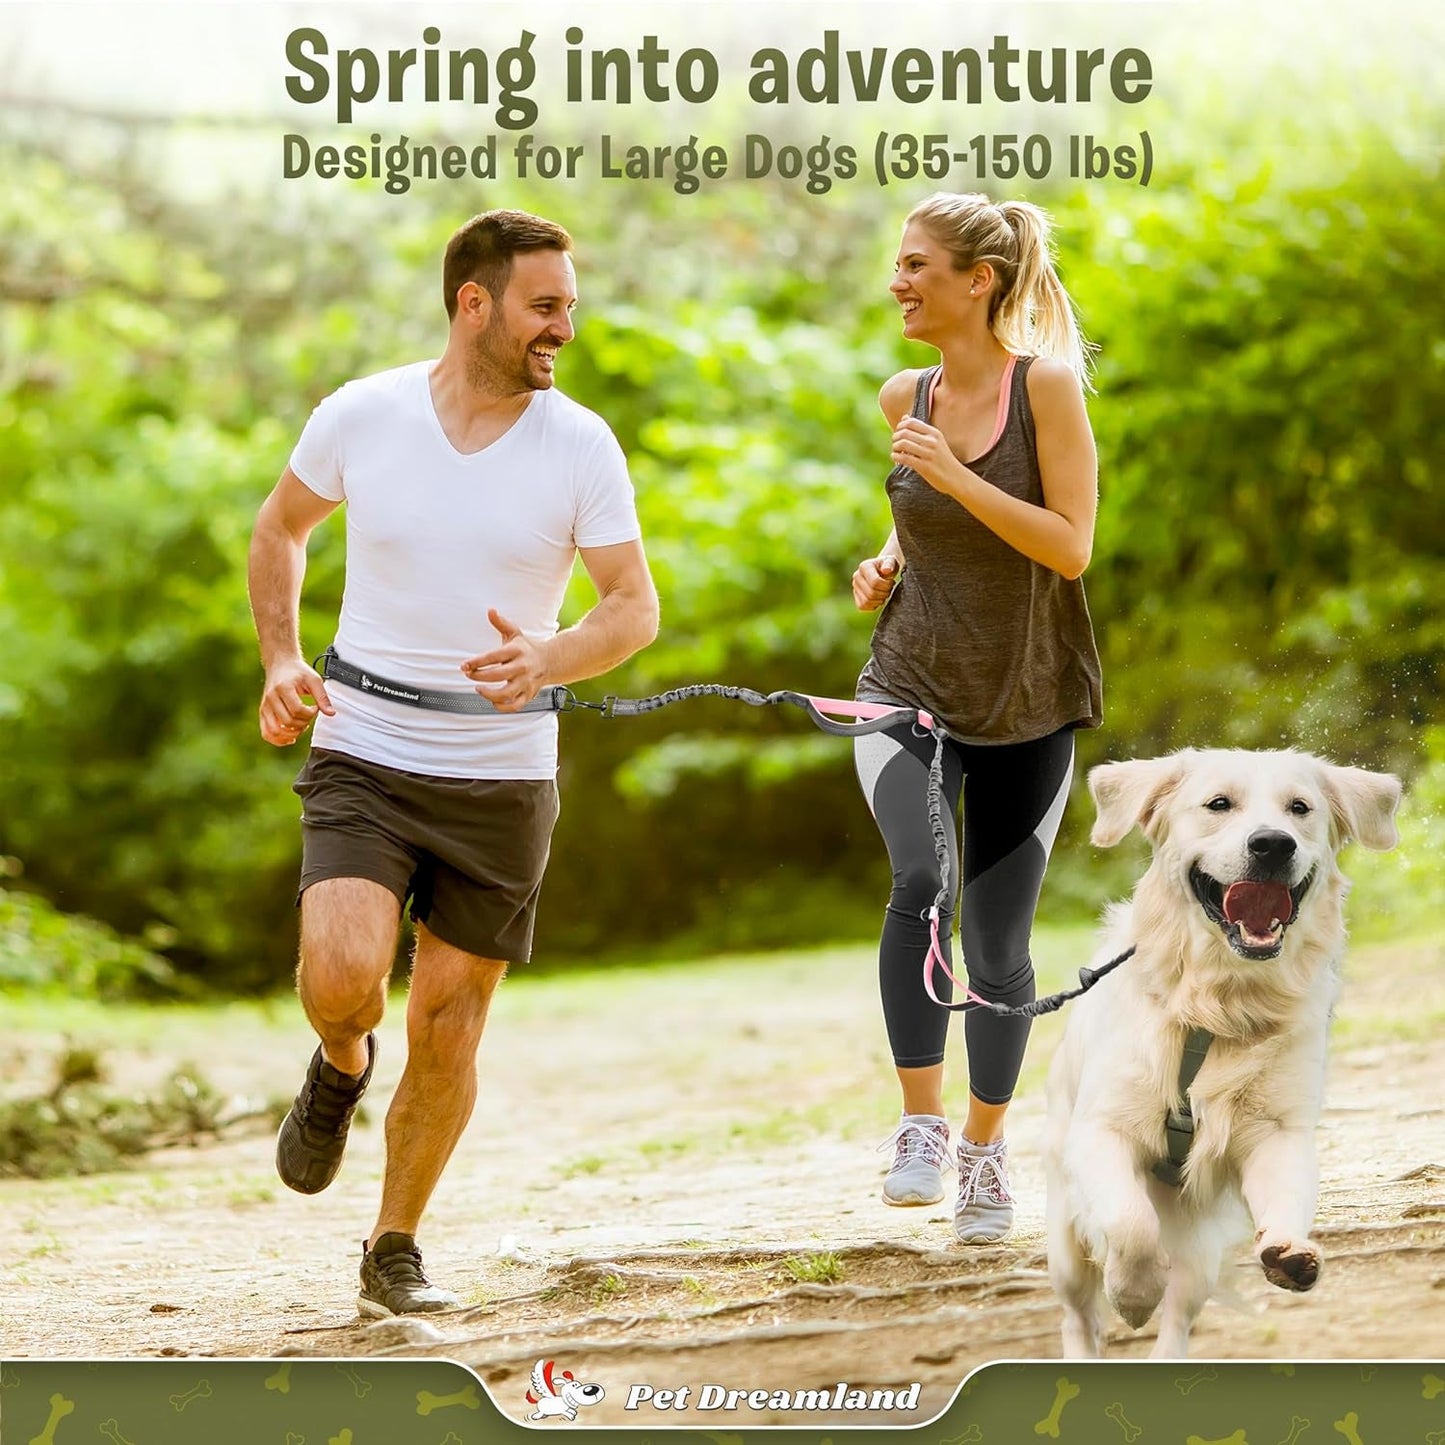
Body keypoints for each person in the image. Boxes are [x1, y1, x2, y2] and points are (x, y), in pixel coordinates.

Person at [247, 210, 659, 1315]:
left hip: (504, 775)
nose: (563, 326)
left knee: (447, 1019)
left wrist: (551, 655)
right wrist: (282, 656)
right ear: (473, 303)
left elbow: (631, 605)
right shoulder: (363, 413)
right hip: (366, 747)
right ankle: (341, 1058)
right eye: (543, 305)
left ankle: (394, 1244)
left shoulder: (579, 444)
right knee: (343, 977)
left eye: (569, 306)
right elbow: (281, 528)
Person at [850, 192, 1102, 1244]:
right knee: (921, 884)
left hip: (1029, 695)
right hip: (907, 678)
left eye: (916, 264)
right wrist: (885, 560)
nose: (898, 281)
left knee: (997, 943)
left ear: (977, 279)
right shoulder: (900, 394)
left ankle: (984, 1148)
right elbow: (919, 514)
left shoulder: (1044, 388)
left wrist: (954, 476)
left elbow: (1069, 546)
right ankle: (919, 1124)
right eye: (899, 263)